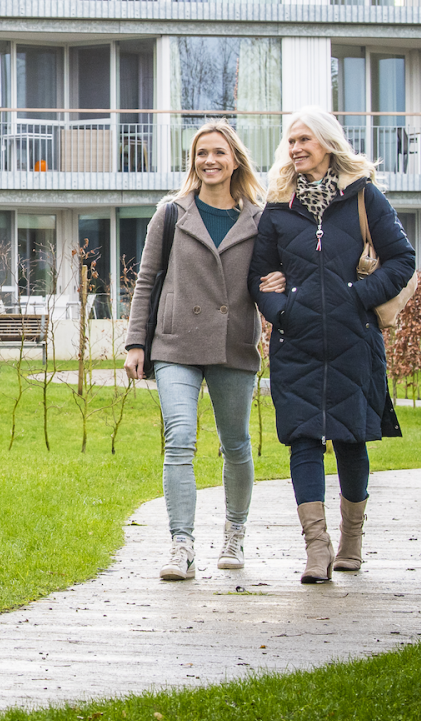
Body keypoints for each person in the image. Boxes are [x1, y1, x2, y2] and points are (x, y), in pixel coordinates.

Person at [248, 107, 415, 584]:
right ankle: (316, 549)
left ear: (327, 143)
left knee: (350, 438)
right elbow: (258, 277)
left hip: (353, 343)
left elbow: (402, 259)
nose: (296, 148)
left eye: (305, 140)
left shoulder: (364, 198)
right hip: (296, 344)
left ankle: (352, 544)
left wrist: (355, 297)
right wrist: (281, 309)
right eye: (291, 141)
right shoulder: (277, 207)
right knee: (302, 440)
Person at [124, 121, 265, 580]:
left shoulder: (259, 220)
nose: (210, 161)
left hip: (233, 343)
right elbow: (147, 281)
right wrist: (135, 342)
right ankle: (181, 545)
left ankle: (234, 532)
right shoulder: (170, 213)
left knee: (236, 444)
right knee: (179, 438)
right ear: (193, 161)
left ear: (235, 160)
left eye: (219, 153)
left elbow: (269, 280)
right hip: (175, 343)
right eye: (201, 153)